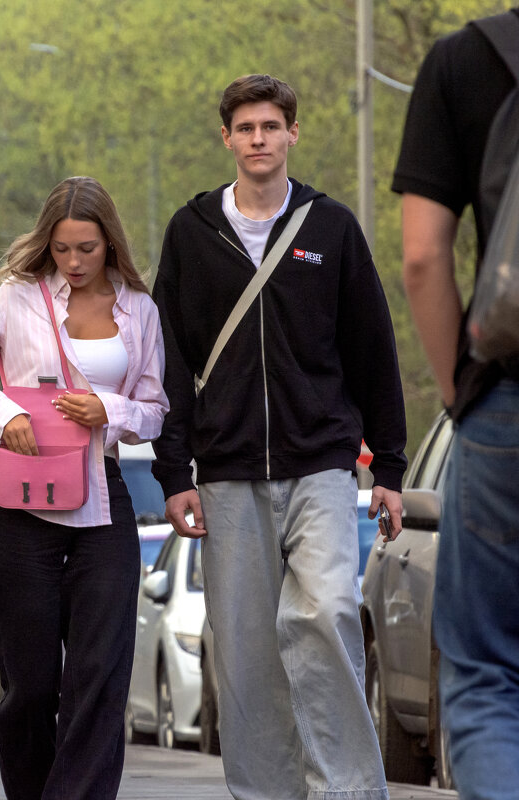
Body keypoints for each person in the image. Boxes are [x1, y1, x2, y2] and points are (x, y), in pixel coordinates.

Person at [151, 74, 407, 800]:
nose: (258, 138)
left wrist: (388, 463)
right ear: (226, 138)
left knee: (324, 614)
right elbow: (170, 359)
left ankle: (350, 790)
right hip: (228, 473)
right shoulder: (192, 232)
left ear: (294, 132)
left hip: (322, 464)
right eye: (245, 127)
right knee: (248, 655)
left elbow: (372, 350)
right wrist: (174, 474)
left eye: (271, 125)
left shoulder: (330, 228)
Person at [0, 175, 167, 800]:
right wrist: (5, 416)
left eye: (87, 247)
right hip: (23, 510)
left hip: (104, 508)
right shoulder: (17, 300)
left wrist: (109, 411)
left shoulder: (140, 310)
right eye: (62, 248)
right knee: (31, 689)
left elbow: (155, 409)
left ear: (109, 243)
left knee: (101, 680)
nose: (74, 262)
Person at [393, 11, 519, 796]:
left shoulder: (467, 61)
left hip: (509, 398)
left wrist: (461, 393)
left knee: (487, 673)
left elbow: (421, 256)